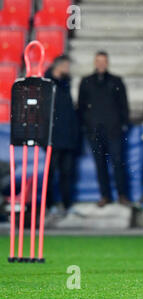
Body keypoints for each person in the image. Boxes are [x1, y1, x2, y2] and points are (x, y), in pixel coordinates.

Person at [78, 51, 131, 207]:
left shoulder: (116, 81)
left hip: (114, 131)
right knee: (100, 164)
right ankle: (105, 196)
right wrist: (87, 126)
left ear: (107, 63)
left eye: (104, 61)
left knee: (118, 163)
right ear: (95, 62)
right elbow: (81, 106)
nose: (101, 64)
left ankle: (122, 195)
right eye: (98, 61)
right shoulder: (86, 81)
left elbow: (124, 105)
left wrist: (122, 124)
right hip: (94, 132)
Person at [45, 55, 80, 217]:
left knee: (68, 173)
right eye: (66, 65)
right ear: (58, 65)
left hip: (68, 138)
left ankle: (67, 205)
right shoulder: (46, 84)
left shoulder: (67, 84)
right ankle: (49, 205)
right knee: (50, 173)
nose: (68, 68)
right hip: (52, 138)